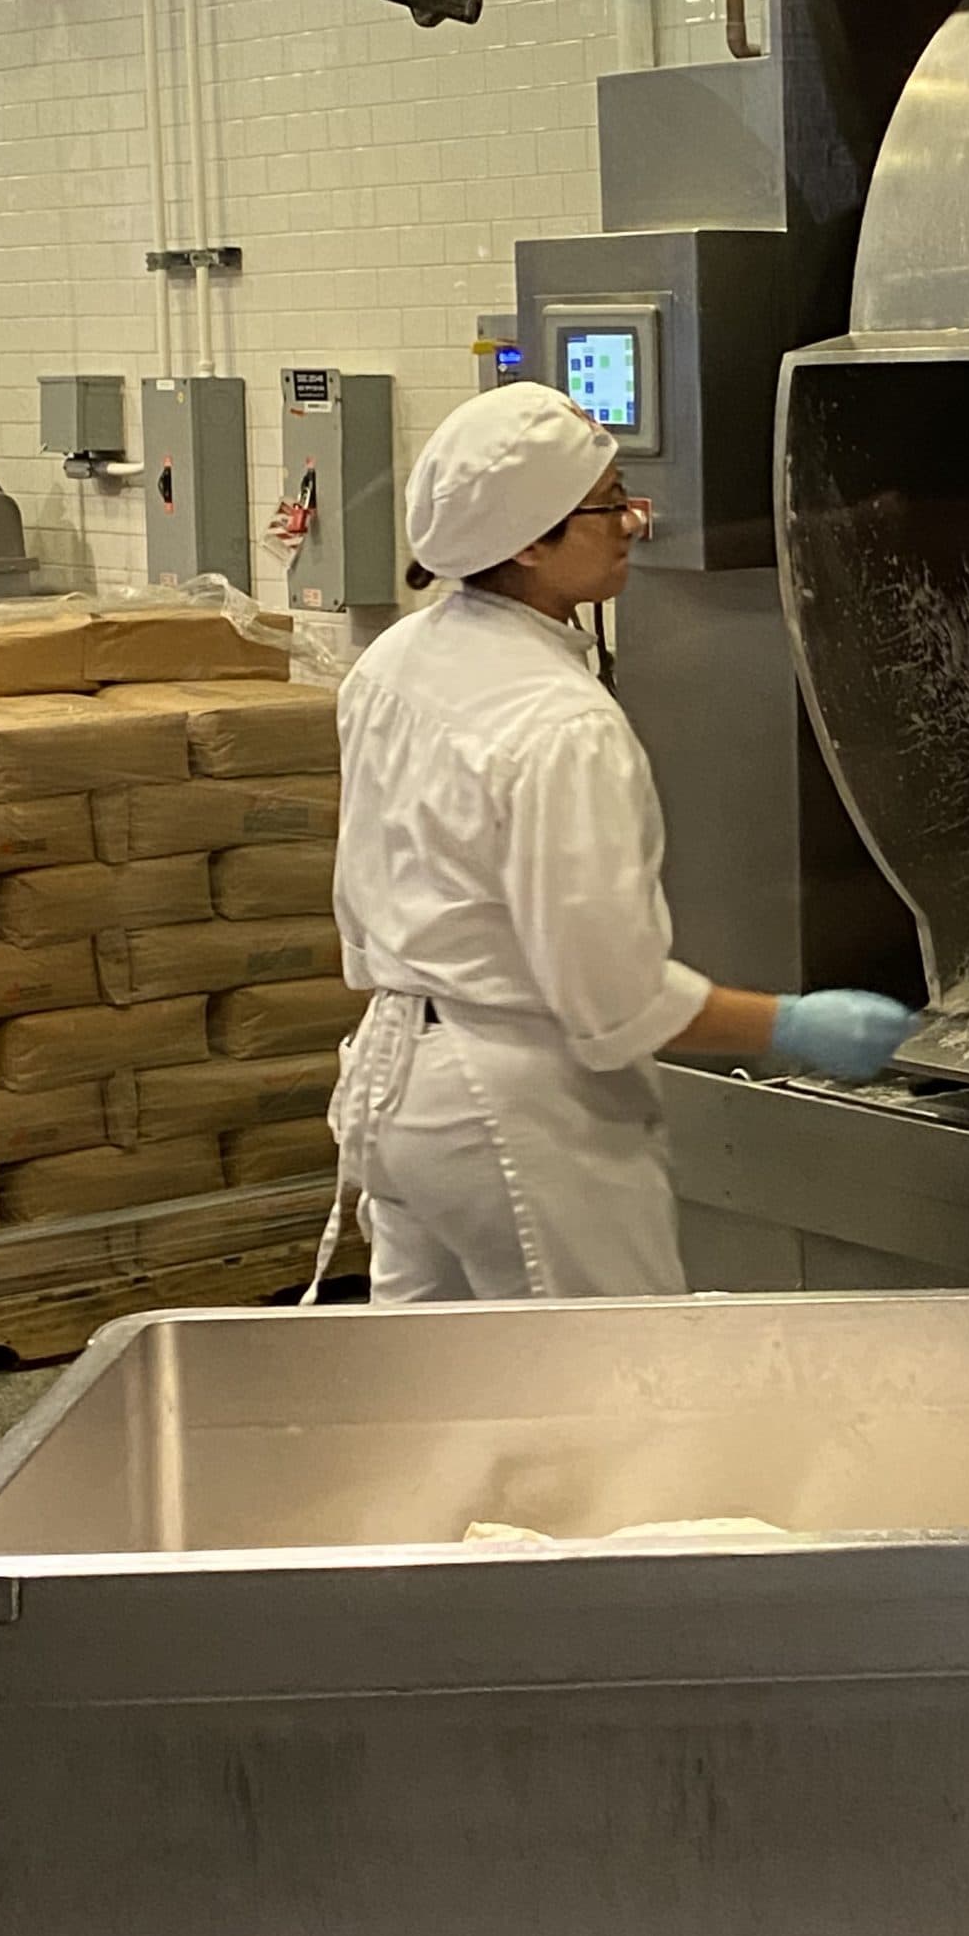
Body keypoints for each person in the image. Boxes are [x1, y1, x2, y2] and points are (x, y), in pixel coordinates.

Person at [324, 381, 916, 1305]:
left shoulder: (394, 661)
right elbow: (611, 1000)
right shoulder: (561, 724)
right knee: (605, 1378)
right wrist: (790, 1025)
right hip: (518, 1111)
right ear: (529, 541)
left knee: (429, 1376)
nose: (635, 521)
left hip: (393, 1086)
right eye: (607, 506)